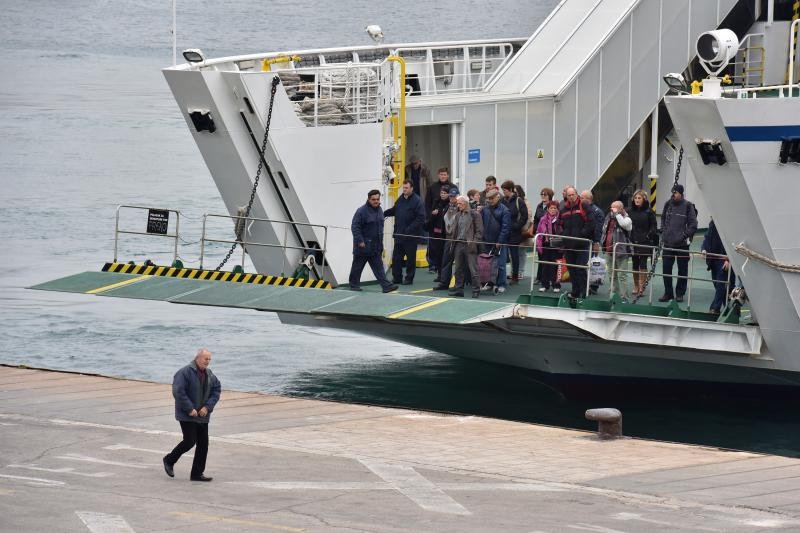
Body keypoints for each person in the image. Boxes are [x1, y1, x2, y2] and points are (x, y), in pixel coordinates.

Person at [163, 348, 221, 482]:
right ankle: (169, 460)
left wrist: (208, 407)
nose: (208, 362)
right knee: (190, 441)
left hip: (202, 415)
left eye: (209, 359)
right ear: (197, 358)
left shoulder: (209, 374)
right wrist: (189, 409)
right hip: (187, 415)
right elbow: (178, 391)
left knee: (203, 444)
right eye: (206, 359)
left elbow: (216, 389)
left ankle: (196, 474)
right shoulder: (184, 372)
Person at [348, 190, 399, 293]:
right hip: (363, 247)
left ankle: (386, 286)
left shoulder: (380, 210)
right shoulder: (361, 211)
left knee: (379, 268)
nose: (376, 201)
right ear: (368, 199)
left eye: (377, 199)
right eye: (373, 199)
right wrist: (360, 241)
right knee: (357, 268)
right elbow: (355, 227)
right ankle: (353, 286)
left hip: (376, 246)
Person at [659, 184, 698, 302]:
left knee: (682, 270)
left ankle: (680, 293)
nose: (673, 195)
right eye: (672, 192)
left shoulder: (688, 206)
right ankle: (668, 293)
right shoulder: (668, 204)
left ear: (681, 194)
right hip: (668, 244)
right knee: (666, 269)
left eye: (675, 193)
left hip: (682, 245)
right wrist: (664, 232)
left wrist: (684, 236)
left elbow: (693, 224)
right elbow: (663, 218)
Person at [384, 180, 425, 285]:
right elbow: (395, 210)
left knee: (411, 259)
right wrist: (383, 213)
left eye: (406, 188)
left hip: (410, 236)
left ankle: (409, 278)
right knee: (396, 258)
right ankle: (397, 277)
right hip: (399, 234)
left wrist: (409, 229)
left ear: (412, 188)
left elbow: (420, 218)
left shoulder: (417, 201)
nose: (404, 190)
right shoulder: (401, 199)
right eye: (404, 188)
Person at [560, 187, 595, 299]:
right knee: (571, 269)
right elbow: (560, 224)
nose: (571, 197)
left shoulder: (584, 205)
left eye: (573, 194)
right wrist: (563, 235)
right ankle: (575, 292)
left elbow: (591, 222)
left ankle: (584, 293)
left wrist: (582, 234)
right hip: (569, 244)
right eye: (569, 195)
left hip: (581, 244)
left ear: (576, 194)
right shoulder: (563, 208)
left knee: (581, 269)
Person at [449, 195, 484, 298]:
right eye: (457, 203)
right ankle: (459, 289)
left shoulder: (475, 215)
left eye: (460, 203)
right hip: (459, 244)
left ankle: (476, 290)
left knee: (473, 269)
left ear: (466, 203)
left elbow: (479, 231)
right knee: (458, 268)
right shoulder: (458, 215)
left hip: (469, 244)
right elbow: (455, 230)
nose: (458, 205)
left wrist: (474, 242)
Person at [600, 201, 633, 301]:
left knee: (622, 275)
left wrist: (617, 215)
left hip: (621, 252)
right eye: (611, 208)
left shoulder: (627, 219)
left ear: (621, 209)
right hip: (609, 250)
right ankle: (614, 295)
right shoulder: (608, 218)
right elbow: (604, 230)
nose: (612, 211)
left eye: (615, 208)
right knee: (611, 274)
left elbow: (624, 225)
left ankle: (624, 297)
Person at [701, 218, 735, 315]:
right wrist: (703, 249)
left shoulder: (728, 224)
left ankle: (715, 308)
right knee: (717, 285)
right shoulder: (713, 223)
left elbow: (731, 242)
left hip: (723, 260)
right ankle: (729, 308)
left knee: (721, 285)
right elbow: (707, 238)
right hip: (713, 260)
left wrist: (728, 260)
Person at [628, 189, 658, 296]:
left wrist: (648, 235)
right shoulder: (630, 211)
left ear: (644, 199)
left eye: (639, 198)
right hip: (633, 240)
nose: (637, 200)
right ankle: (636, 285)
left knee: (643, 263)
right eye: (635, 198)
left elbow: (654, 226)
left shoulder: (649, 212)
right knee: (635, 263)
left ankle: (642, 286)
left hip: (645, 241)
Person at [482, 189, 511, 294]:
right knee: (488, 263)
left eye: (492, 198)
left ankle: (502, 284)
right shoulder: (485, 209)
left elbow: (505, 228)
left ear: (498, 197)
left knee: (501, 264)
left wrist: (500, 241)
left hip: (500, 241)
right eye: (489, 198)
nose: (490, 200)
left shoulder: (505, 210)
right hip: (487, 240)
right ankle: (489, 283)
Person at [500, 181, 529, 284]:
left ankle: (515, 276)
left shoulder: (519, 201)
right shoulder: (503, 200)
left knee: (514, 255)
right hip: (504, 232)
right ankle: (502, 276)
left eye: (505, 190)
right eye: (503, 190)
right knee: (503, 254)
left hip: (514, 233)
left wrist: (516, 226)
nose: (503, 192)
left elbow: (525, 216)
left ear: (511, 190)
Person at [433, 186, 460, 290]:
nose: (452, 198)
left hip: (458, 238)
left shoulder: (461, 206)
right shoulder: (447, 207)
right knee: (446, 261)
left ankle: (459, 285)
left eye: (454, 196)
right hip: (448, 237)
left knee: (459, 263)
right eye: (451, 196)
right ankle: (444, 283)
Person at [425, 185, 451, 283]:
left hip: (446, 233)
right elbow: (432, 216)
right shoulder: (436, 202)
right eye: (442, 193)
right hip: (436, 232)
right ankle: (440, 275)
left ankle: (445, 278)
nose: (443, 195)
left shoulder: (450, 204)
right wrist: (433, 214)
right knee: (437, 255)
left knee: (446, 257)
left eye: (445, 193)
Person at [535, 200, 562, 292]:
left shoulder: (560, 219)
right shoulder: (543, 219)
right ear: (548, 209)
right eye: (551, 208)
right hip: (545, 245)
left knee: (555, 265)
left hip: (556, 245)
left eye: (555, 208)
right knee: (545, 265)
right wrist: (539, 246)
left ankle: (556, 285)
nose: (553, 210)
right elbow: (538, 232)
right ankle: (544, 284)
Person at [581, 190, 604, 295]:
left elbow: (598, 228)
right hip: (583, 242)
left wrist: (597, 242)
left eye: (582, 198)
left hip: (592, 242)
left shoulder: (597, 211)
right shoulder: (582, 210)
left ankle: (594, 286)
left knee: (594, 264)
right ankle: (585, 285)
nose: (580, 200)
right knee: (584, 264)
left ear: (588, 199)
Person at [533, 187, 555, 284]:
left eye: (545, 195)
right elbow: (536, 220)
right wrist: (535, 231)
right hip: (540, 236)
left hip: (549, 237)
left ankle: (549, 278)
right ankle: (539, 277)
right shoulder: (539, 206)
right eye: (541, 194)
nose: (543, 196)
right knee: (540, 256)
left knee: (549, 258)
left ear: (549, 196)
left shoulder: (552, 206)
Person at [514, 184, 534, 282]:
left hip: (523, 230)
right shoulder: (512, 201)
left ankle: (520, 271)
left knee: (521, 252)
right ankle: (514, 271)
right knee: (513, 252)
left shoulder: (525, 202)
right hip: (515, 230)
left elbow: (529, 215)